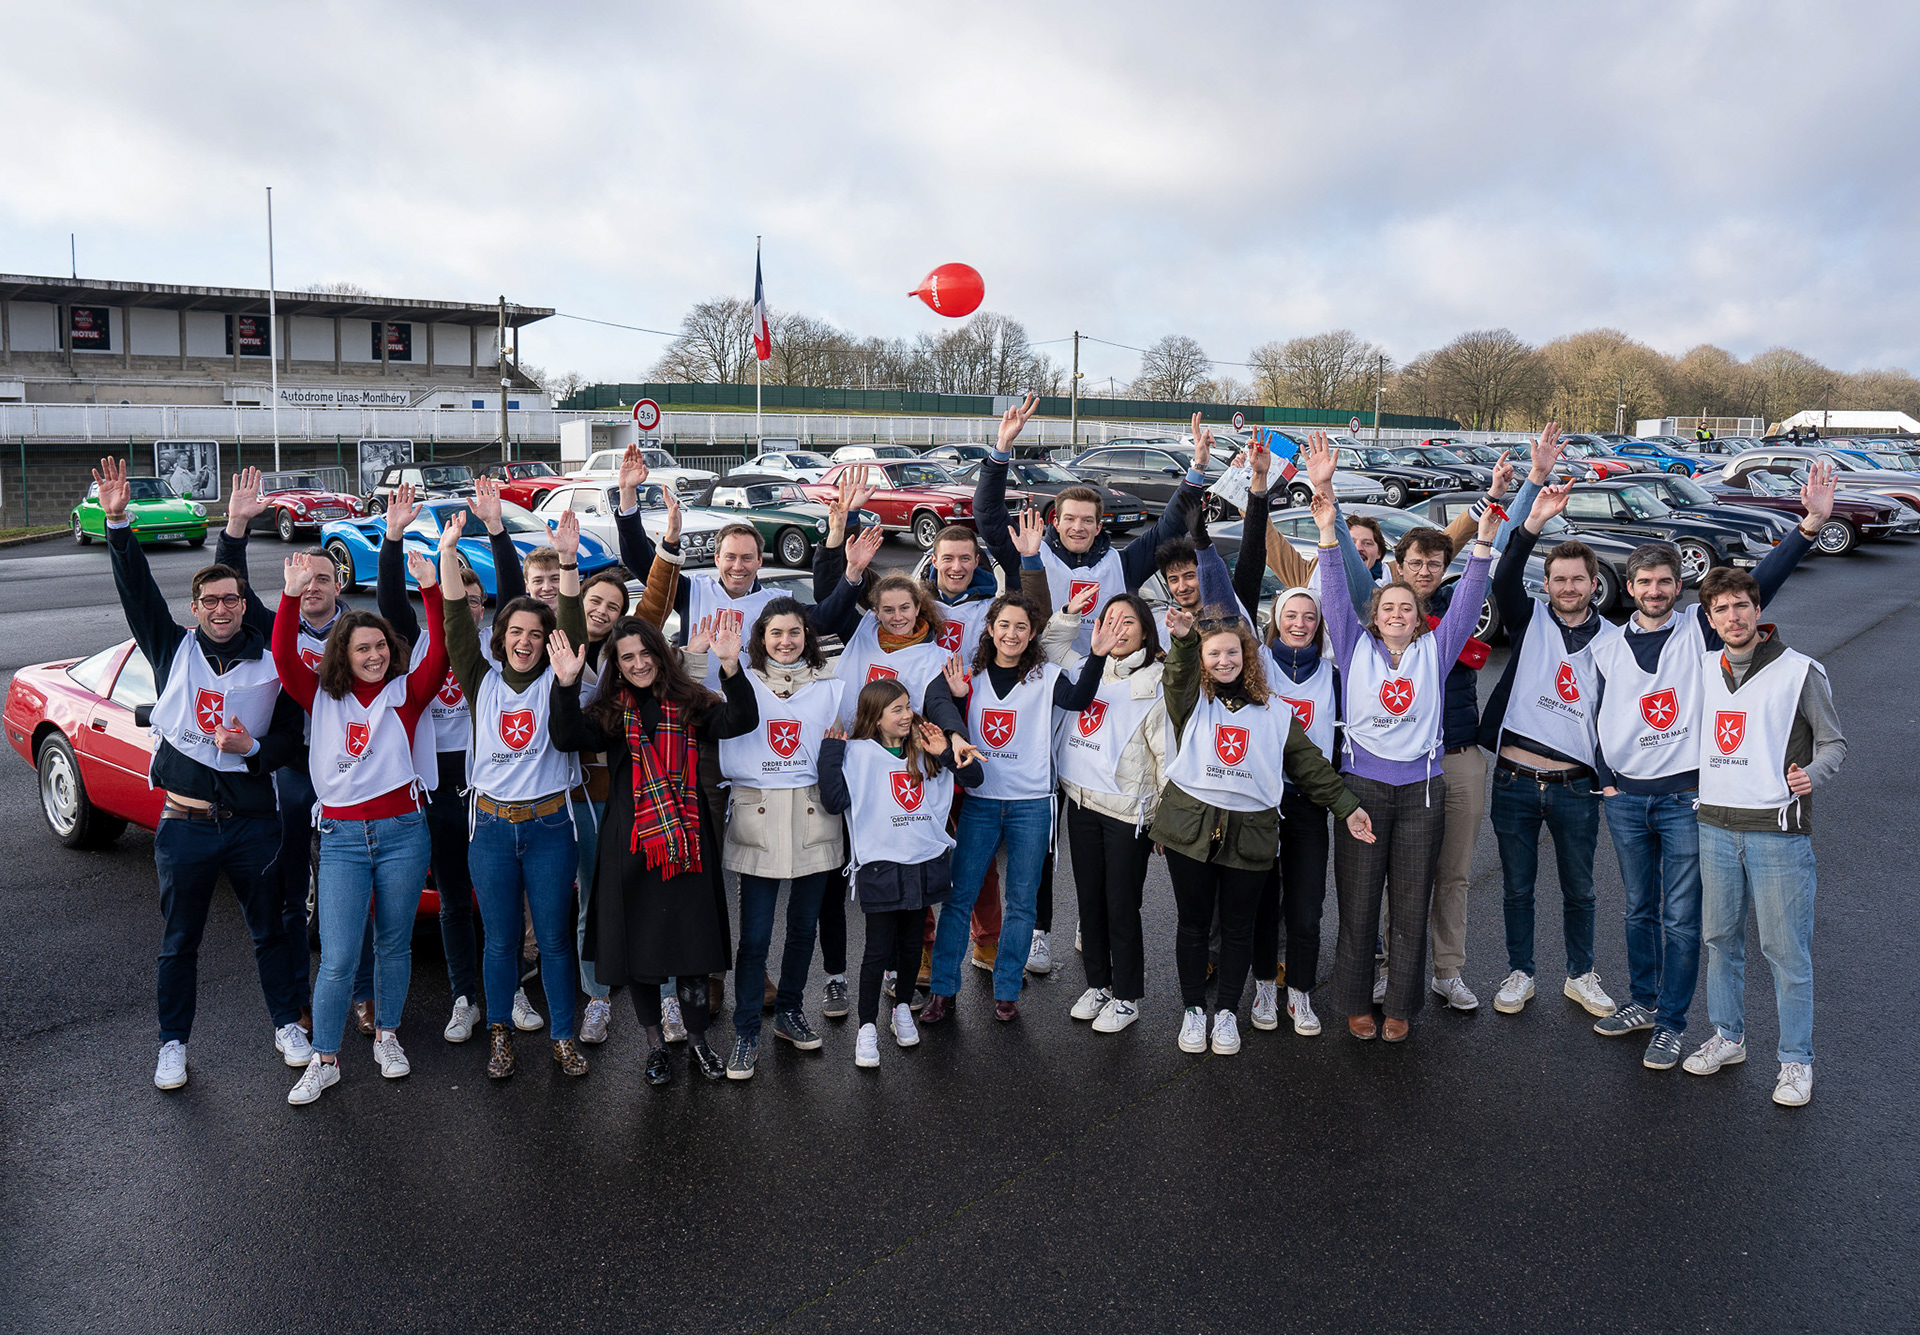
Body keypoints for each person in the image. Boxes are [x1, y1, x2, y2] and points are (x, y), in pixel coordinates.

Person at [1587, 465, 1830, 1069]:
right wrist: (1604, 777)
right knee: (1638, 907)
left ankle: (1673, 1022)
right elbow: (1586, 712)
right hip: (1626, 798)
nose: (1654, 590)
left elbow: (1756, 586)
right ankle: (1642, 1002)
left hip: (1684, 797)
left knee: (1681, 914)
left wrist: (1809, 526)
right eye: (1644, 581)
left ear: (1678, 587)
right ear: (1629, 584)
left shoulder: (1699, 630)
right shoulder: (1604, 643)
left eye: (1665, 581)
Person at [97, 456, 310, 1092]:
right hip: (185, 823)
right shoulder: (174, 651)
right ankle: (172, 1043)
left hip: (250, 822)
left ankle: (286, 1025)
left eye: (232, 598)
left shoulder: (271, 657)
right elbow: (137, 593)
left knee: (268, 929)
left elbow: (290, 741)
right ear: (195, 609)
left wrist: (252, 748)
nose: (222, 608)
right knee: (179, 939)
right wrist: (117, 524)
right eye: (210, 600)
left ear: (246, 605)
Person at [1311, 444, 1519, 1012]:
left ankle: (1404, 1006)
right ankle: (1355, 1002)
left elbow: (1475, 585)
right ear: (1374, 615)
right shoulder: (1354, 649)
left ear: (1419, 617)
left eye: (1408, 609)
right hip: (1363, 788)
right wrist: (1326, 520)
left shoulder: (1438, 648)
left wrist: (1487, 527)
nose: (1399, 614)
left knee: (1411, 903)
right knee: (1359, 904)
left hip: (1425, 787)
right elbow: (1333, 588)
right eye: (1389, 607)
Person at [1152, 602, 1371, 1054]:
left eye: (1232, 652)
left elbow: (1310, 765)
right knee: (1193, 925)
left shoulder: (1274, 712)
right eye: (1213, 654)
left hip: (1251, 834)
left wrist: (1348, 806)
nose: (1224, 661)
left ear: (1247, 656)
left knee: (1238, 927)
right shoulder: (1193, 699)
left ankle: (1228, 1013)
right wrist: (1184, 641)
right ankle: (1194, 1011)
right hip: (1189, 830)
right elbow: (1178, 676)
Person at [549, 612, 758, 1086]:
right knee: (640, 954)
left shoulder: (688, 701)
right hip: (630, 842)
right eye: (628, 658)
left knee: (691, 952)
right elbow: (565, 738)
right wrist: (564, 686)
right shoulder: (610, 711)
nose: (639, 663)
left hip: (686, 842)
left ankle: (700, 1042)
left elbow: (741, 719)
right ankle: (655, 1047)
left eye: (645, 653)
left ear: (660, 655)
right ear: (617, 666)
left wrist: (730, 665)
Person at [273, 549, 447, 1104]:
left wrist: (433, 592)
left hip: (402, 831)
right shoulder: (320, 695)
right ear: (342, 654)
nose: (373, 656)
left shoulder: (406, 693)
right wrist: (290, 595)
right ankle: (325, 1058)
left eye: (380, 647)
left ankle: (388, 1037)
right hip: (343, 839)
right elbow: (281, 655)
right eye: (362, 647)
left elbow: (439, 654)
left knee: (395, 944)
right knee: (341, 956)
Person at [1681, 569, 1844, 1107]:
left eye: (1741, 606)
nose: (1733, 616)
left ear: (1758, 611)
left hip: (1777, 833)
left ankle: (1796, 1061)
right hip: (1716, 827)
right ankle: (1729, 1037)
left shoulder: (1799, 671)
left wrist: (1811, 776)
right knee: (1720, 943)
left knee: (1785, 951)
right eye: (1722, 609)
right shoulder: (1705, 667)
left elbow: (1833, 743)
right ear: (1710, 618)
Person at [440, 509, 593, 1080]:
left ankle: (561, 1036)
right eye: (516, 634)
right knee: (500, 941)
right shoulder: (479, 679)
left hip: (551, 825)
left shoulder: (560, 673)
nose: (526, 642)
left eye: (536, 634)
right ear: (500, 639)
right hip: (493, 829)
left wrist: (571, 562)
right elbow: (456, 617)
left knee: (553, 940)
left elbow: (572, 626)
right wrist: (450, 551)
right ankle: (500, 1032)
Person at [1480, 452, 1624, 1021]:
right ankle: (1521, 972)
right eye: (1558, 579)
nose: (1567, 587)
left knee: (1580, 889)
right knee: (1517, 887)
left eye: (1577, 580)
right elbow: (1502, 574)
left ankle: (1580, 974)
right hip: (1514, 779)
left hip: (1575, 786)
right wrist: (1533, 521)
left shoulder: (1614, 639)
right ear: (1548, 583)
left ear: (1594, 585)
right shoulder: (1529, 617)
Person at [919, 591, 1108, 1022]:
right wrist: (957, 709)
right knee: (960, 898)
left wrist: (1095, 655)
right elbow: (936, 702)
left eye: (1021, 626)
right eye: (1004, 625)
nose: (1012, 633)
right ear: (990, 629)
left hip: (1031, 804)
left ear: (1033, 633)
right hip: (982, 804)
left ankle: (1006, 991)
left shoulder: (1047, 676)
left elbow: (1079, 699)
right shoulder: (969, 675)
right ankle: (943, 992)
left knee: (1022, 901)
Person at [216, 466, 347, 1036]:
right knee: (295, 897)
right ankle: (298, 999)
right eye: (303, 578)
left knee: (350, 894)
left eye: (322, 577)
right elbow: (234, 588)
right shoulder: (276, 629)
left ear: (338, 583)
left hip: (350, 778)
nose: (312, 586)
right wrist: (236, 528)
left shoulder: (366, 633)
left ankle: (359, 995)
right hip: (294, 777)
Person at [817, 682, 986, 1068]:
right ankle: (866, 1029)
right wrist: (830, 754)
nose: (907, 715)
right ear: (875, 717)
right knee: (878, 950)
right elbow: (835, 801)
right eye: (896, 709)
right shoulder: (858, 754)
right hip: (881, 864)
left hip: (922, 859)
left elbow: (973, 780)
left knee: (912, 946)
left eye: (908, 706)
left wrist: (946, 754)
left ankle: (901, 1011)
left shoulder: (926, 748)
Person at [714, 599, 848, 1078]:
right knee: (754, 938)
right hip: (760, 815)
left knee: (802, 927)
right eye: (776, 634)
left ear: (806, 636)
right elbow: (690, 699)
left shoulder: (831, 687)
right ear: (761, 638)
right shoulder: (737, 682)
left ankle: (789, 1011)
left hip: (813, 816)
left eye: (794, 633)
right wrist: (719, 662)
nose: (786, 642)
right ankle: (747, 1030)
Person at [973, 397, 1206, 656]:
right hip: (1042, 677)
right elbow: (988, 513)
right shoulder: (1030, 554)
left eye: (1087, 521)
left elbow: (1169, 527)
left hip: (1104, 679)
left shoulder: (1121, 563)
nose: (1078, 527)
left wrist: (1196, 469)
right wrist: (1002, 447)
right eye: (1070, 519)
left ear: (1098, 527)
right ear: (1056, 522)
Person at [1043, 592, 1167, 1034]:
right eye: (1109, 618)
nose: (1117, 627)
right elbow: (1049, 646)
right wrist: (1072, 613)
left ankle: (1127, 995)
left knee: (1121, 905)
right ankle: (1097, 984)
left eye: (1127, 621)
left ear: (1146, 632)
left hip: (1126, 814)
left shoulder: (1157, 682)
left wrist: (1162, 825)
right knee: (1089, 900)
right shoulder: (1083, 668)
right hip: (1081, 803)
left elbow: (1166, 761)